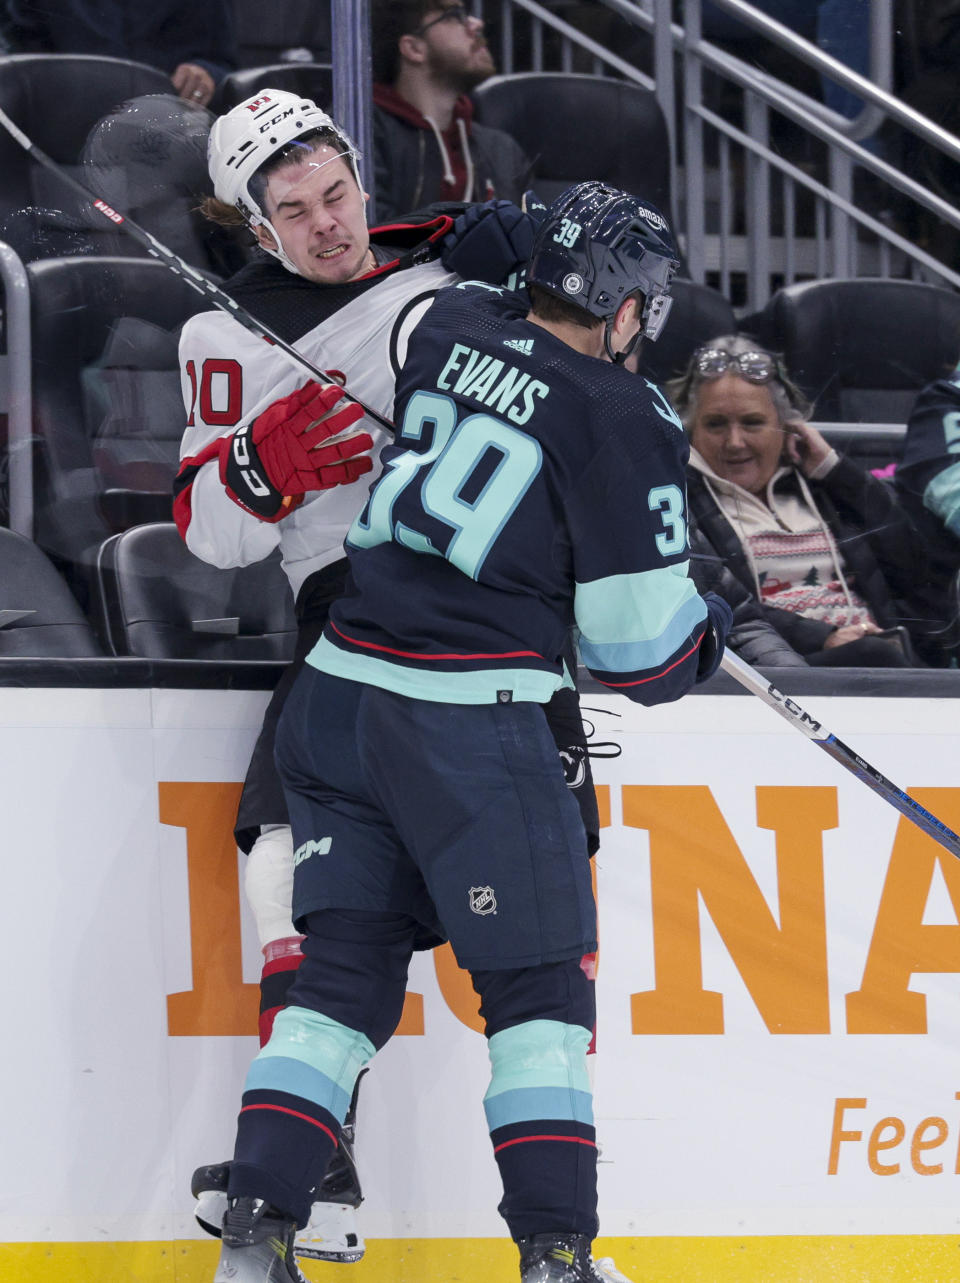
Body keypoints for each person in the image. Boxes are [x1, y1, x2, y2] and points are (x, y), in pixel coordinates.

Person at [206, 180, 732, 1283]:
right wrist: (716, 618)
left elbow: (487, 278)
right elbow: (642, 656)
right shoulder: (623, 413)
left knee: (338, 983)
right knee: (538, 998)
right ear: (628, 304)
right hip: (470, 730)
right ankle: (557, 1253)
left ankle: (254, 1235)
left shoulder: (448, 326)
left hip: (339, 699)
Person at [174, 89, 597, 1266]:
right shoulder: (225, 334)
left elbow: (604, 368)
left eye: (338, 193)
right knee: (286, 883)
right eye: (294, 211)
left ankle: (549, 1227)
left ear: (363, 174)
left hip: (495, 625)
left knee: (538, 954)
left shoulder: (445, 278)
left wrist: (538, 267)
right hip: (345, 626)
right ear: (256, 229)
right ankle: (332, 1166)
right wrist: (261, 467)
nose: (327, 226)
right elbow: (213, 537)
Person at [666, 334, 928, 667]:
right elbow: (716, 603)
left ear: (786, 425)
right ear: (690, 430)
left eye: (752, 423)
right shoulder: (679, 501)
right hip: (783, 670)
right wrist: (823, 636)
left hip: (877, 653)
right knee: (878, 656)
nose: (734, 442)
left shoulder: (823, 487)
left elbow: (912, 566)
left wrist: (835, 470)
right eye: (716, 425)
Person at [371, 0, 531, 220]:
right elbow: (372, 241)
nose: (476, 24)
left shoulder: (502, 150)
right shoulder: (361, 133)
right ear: (414, 48)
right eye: (454, 16)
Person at [0, 0, 236, 106]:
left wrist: (204, 74)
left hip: (167, 134)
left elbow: (222, 63)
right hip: (59, 139)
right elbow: (13, 61)